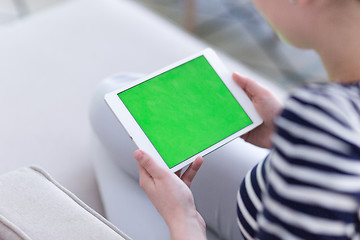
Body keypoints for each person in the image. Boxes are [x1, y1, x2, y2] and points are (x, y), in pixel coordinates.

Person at [133, 0, 360, 239]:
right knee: (114, 95)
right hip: (262, 203)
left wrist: (183, 221)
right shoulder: (329, 121)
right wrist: (293, 137)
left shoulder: (323, 117)